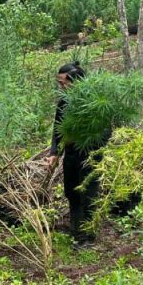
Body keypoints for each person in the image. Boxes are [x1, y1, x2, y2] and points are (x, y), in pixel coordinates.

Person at [47, 62, 95, 243]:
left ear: (75, 81)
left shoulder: (92, 103)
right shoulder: (64, 102)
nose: (60, 86)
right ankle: (76, 231)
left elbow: (104, 132)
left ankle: (88, 235)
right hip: (71, 155)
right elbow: (57, 129)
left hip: (90, 156)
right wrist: (54, 153)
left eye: (62, 83)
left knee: (88, 194)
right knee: (71, 192)